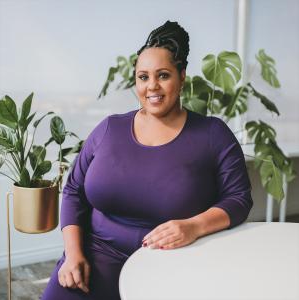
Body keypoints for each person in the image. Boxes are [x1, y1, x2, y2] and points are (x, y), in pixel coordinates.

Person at [41, 20, 253, 300]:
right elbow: (73, 192)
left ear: (182, 76)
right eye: (143, 77)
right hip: (94, 261)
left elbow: (239, 198)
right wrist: (73, 255)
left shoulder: (212, 134)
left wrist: (193, 226)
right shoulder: (108, 129)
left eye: (163, 75)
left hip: (172, 263)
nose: (152, 86)